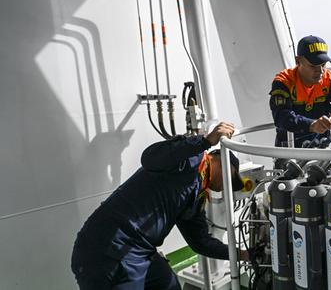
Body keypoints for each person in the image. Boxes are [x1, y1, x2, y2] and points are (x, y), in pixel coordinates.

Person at [71, 122, 246, 290]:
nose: (228, 186)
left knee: (167, 285)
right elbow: (150, 157)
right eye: (232, 178)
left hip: (141, 251)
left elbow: (201, 242)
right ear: (219, 160)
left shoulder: (197, 197)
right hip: (108, 249)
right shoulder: (189, 159)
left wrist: (241, 254)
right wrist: (204, 141)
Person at [269, 35, 331, 147]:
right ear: (298, 61)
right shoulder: (284, 81)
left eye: (323, 65)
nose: (320, 71)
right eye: (313, 65)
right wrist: (312, 125)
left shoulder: (330, 79)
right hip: (289, 149)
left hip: (322, 146)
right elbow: (281, 116)